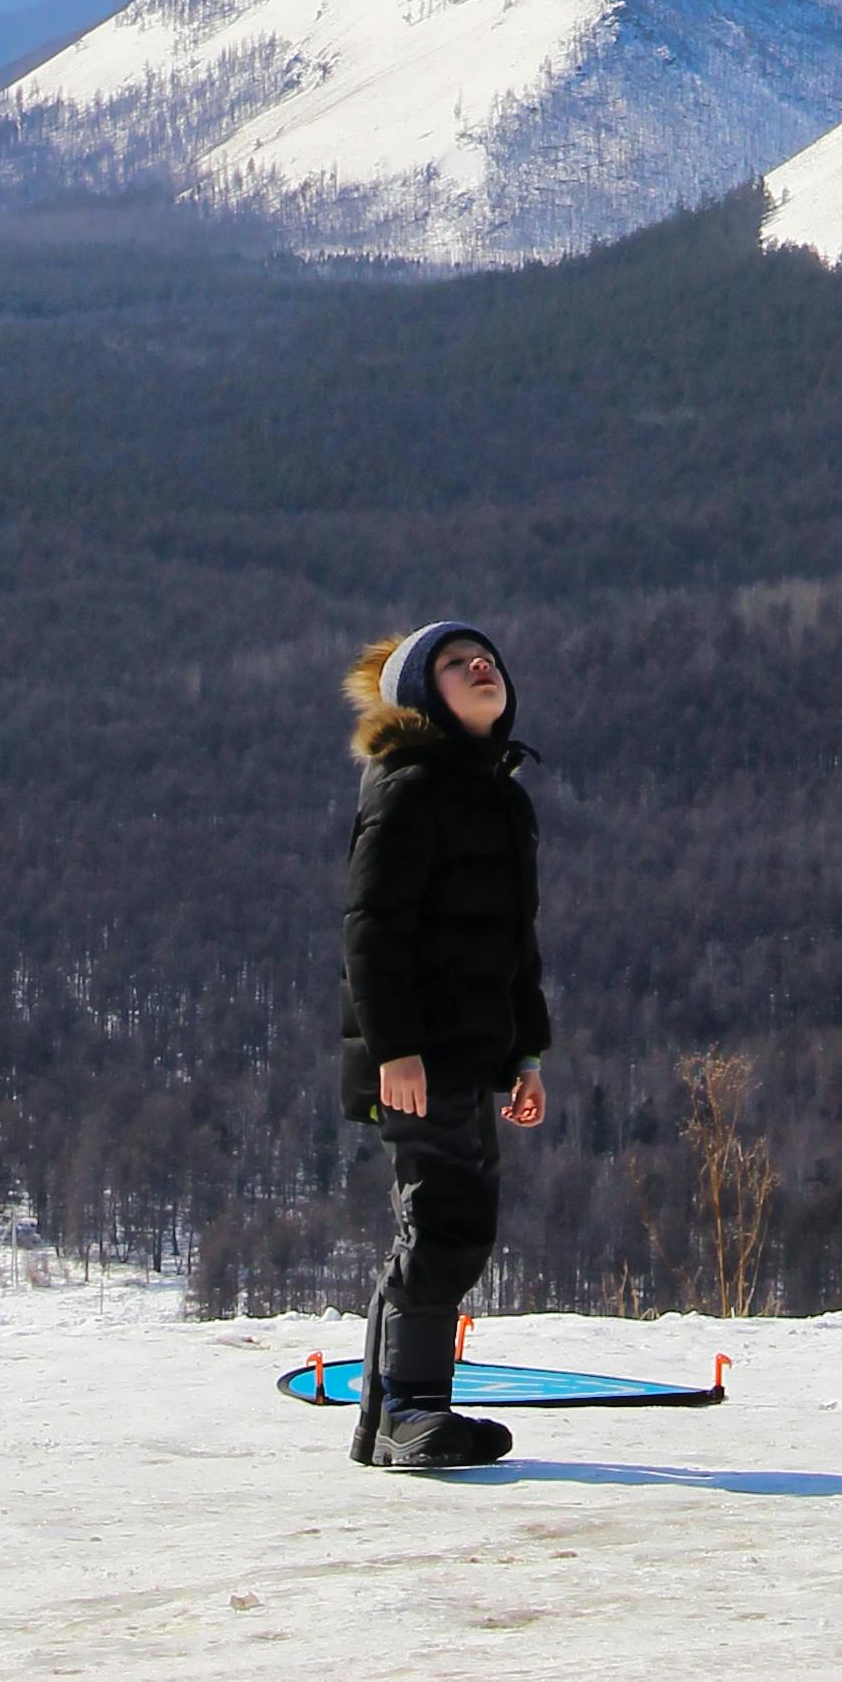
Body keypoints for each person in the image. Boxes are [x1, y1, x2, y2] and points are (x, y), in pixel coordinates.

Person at [337, 618, 551, 1474]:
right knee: (445, 1225)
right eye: (459, 664)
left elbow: (513, 946)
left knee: (452, 1221)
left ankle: (389, 1416)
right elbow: (372, 932)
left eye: (490, 658)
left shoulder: (499, 796)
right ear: (425, 695)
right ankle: (410, 1414)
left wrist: (525, 1055)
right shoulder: (410, 789)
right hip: (418, 1058)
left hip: (468, 1053)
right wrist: (397, 1050)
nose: (483, 665)